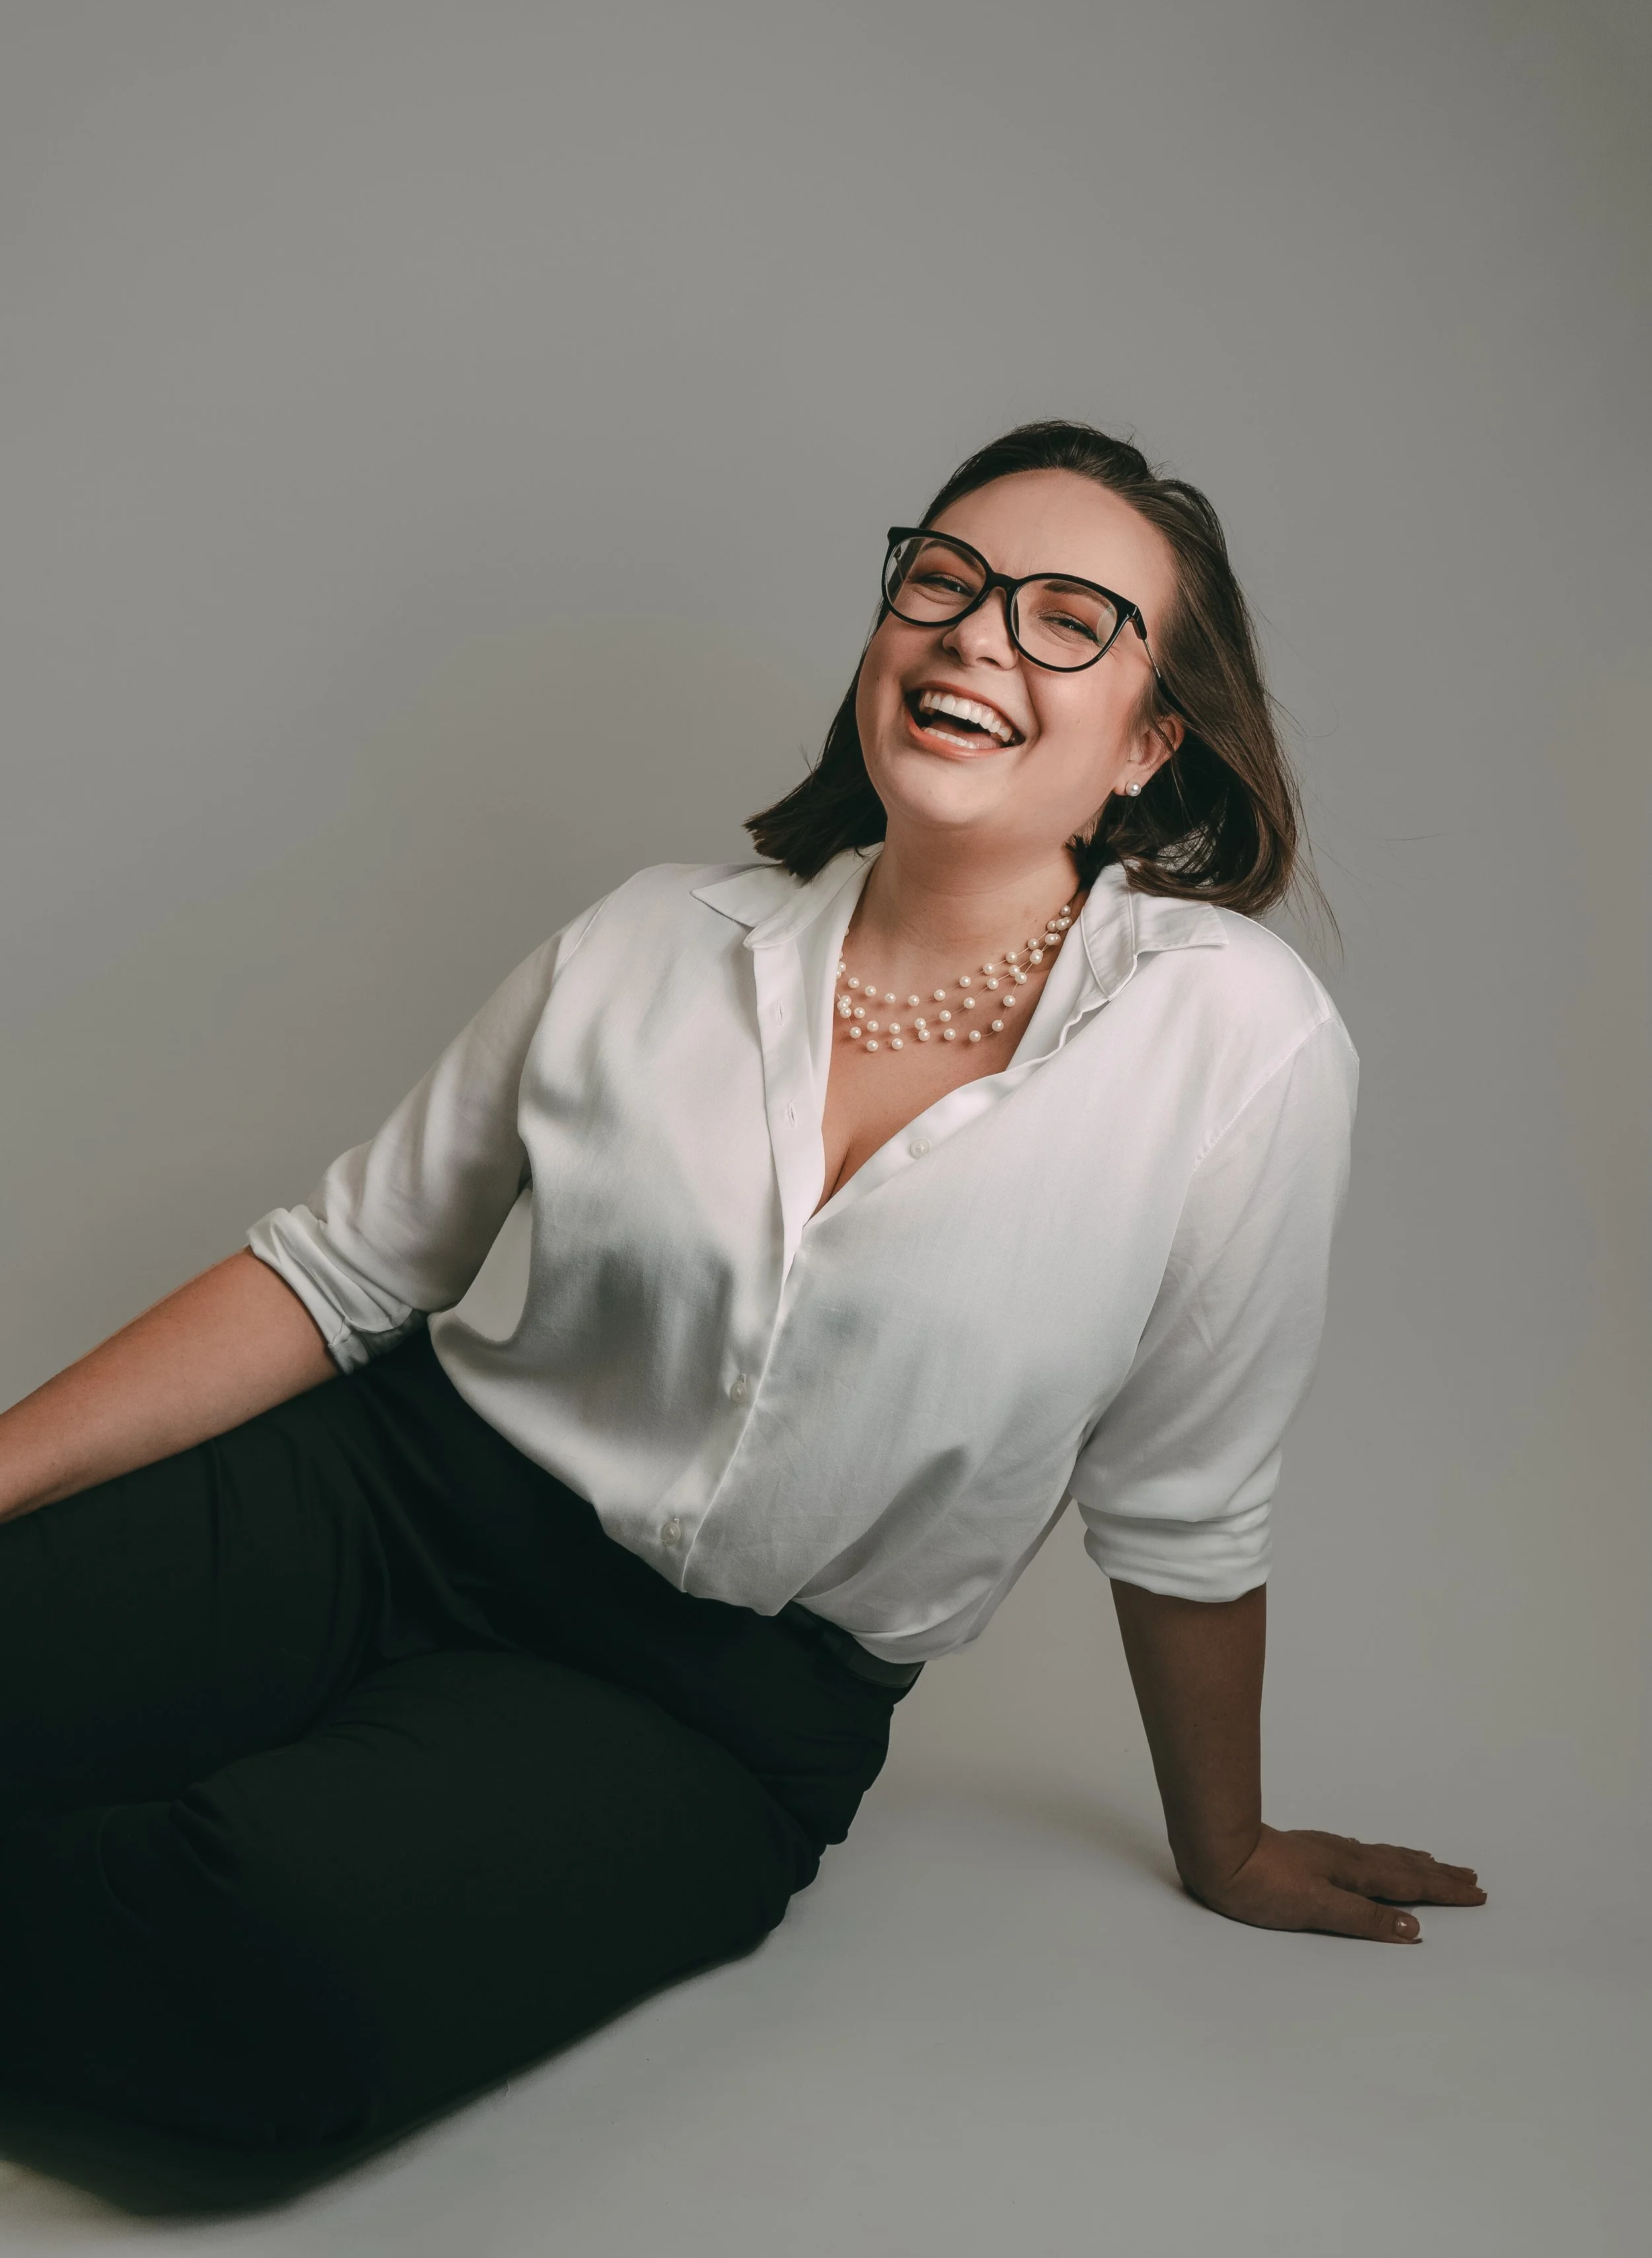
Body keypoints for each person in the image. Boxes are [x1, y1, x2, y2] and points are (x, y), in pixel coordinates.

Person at [0, 420, 1485, 2155]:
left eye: (1069, 617)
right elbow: (336, 1270)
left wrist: (1222, 1846)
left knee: (266, 1983)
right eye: (944, 581)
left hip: (703, 1709)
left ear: (1152, 740)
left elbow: (1183, 1506)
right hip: (397, 1499)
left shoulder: (1234, 1042)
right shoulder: (649, 935)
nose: (977, 632)